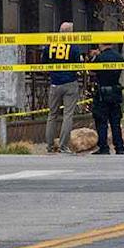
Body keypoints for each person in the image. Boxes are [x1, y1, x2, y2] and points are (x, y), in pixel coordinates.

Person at [45, 22, 84, 154]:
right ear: (70, 32)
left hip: (54, 83)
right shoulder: (73, 46)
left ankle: (49, 146)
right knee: (68, 115)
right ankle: (63, 146)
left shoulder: (50, 44)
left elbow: (44, 61)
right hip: (70, 83)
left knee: (52, 115)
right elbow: (78, 64)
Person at [89, 44, 124, 155]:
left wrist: (94, 57)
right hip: (115, 92)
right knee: (115, 121)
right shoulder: (119, 57)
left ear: (100, 44)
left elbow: (91, 71)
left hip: (102, 93)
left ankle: (104, 147)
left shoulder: (100, 58)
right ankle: (119, 147)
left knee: (101, 121)